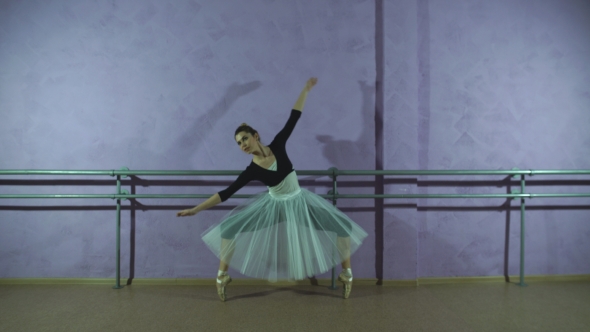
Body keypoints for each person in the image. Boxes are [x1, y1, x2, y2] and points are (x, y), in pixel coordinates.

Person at [177, 78, 367, 301]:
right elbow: (226, 193)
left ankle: (347, 274)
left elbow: (293, 117)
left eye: (245, 139)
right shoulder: (251, 170)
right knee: (228, 228)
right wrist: (196, 209)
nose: (243, 145)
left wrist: (305, 90)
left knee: (342, 226)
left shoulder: (278, 144)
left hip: (301, 204)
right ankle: (221, 276)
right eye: (238, 143)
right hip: (273, 208)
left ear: (255, 136)